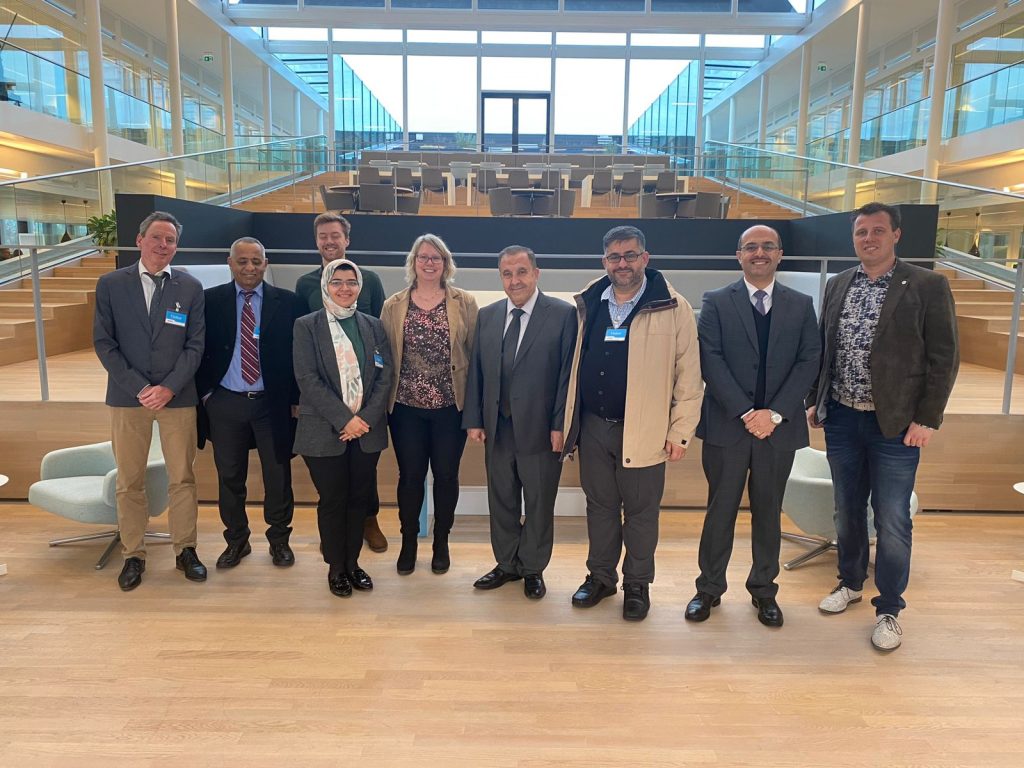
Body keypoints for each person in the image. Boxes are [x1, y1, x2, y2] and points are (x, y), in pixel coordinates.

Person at [807, 201, 959, 651]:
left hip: (895, 424)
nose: (868, 239)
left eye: (877, 231)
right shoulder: (838, 284)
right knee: (846, 509)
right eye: (861, 232)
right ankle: (850, 582)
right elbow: (824, 347)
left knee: (892, 519)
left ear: (896, 235)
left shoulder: (927, 284)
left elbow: (944, 357)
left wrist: (928, 418)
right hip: (842, 417)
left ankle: (889, 608)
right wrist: (815, 399)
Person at [560, 225, 703, 621]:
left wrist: (681, 432)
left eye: (630, 255)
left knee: (641, 513)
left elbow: (689, 376)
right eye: (614, 257)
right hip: (593, 426)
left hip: (646, 430)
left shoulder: (673, 306)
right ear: (604, 261)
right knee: (599, 507)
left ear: (645, 258)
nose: (622, 263)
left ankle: (637, 585)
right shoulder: (590, 300)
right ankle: (601, 577)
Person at [687, 225, 820, 628]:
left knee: (768, 513)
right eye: (751, 247)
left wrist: (773, 414)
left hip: (779, 430)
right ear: (738, 255)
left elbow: (809, 361)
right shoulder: (715, 301)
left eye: (767, 246)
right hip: (728, 427)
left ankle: (764, 590)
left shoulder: (801, 304)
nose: (759, 252)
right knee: (720, 511)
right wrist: (747, 412)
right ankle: (708, 588)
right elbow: (710, 360)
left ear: (780, 254)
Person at [93, 211, 206, 591]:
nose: (163, 245)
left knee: (183, 478)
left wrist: (169, 387)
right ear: (140, 240)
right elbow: (104, 343)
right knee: (129, 481)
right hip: (128, 398)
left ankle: (185, 550)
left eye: (170, 240)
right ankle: (133, 555)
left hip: (178, 396)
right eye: (156, 237)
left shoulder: (190, 287)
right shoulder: (111, 284)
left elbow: (195, 345)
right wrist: (141, 388)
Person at [463, 245, 576, 600]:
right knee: (502, 499)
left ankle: (532, 567)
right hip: (497, 428)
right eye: (507, 274)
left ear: (536, 274)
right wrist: (474, 418)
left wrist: (560, 425)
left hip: (542, 431)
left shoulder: (563, 315)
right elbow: (477, 370)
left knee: (539, 501)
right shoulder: (488, 315)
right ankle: (506, 563)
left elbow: (567, 376)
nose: (515, 280)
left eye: (522, 272)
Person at [195, 237, 305, 570]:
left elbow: (299, 356)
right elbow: (196, 349)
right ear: (230, 263)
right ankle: (236, 541)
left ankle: (279, 540)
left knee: (278, 475)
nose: (249, 268)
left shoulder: (289, 302)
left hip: (272, 405)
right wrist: (207, 395)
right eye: (242, 261)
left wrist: (296, 400)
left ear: (265, 265)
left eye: (256, 261)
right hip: (225, 403)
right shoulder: (209, 301)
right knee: (230, 477)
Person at [380, 234, 478, 577]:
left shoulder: (464, 302)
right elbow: (384, 357)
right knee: (410, 477)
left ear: (445, 263)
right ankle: (408, 542)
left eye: (436, 258)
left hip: (451, 407)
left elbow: (474, 356)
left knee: (447, 476)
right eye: (423, 257)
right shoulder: (394, 305)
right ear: (414, 262)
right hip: (405, 408)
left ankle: (441, 542)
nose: (429, 263)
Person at [293, 259, 392, 597]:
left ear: (359, 287)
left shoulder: (373, 326)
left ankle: (353, 563)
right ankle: (336, 568)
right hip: (324, 430)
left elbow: (384, 376)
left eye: (351, 282)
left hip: (366, 431)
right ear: (325, 285)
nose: (345, 288)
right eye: (337, 282)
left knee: (359, 499)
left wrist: (363, 420)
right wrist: (344, 419)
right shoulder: (307, 326)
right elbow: (307, 378)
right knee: (333, 500)